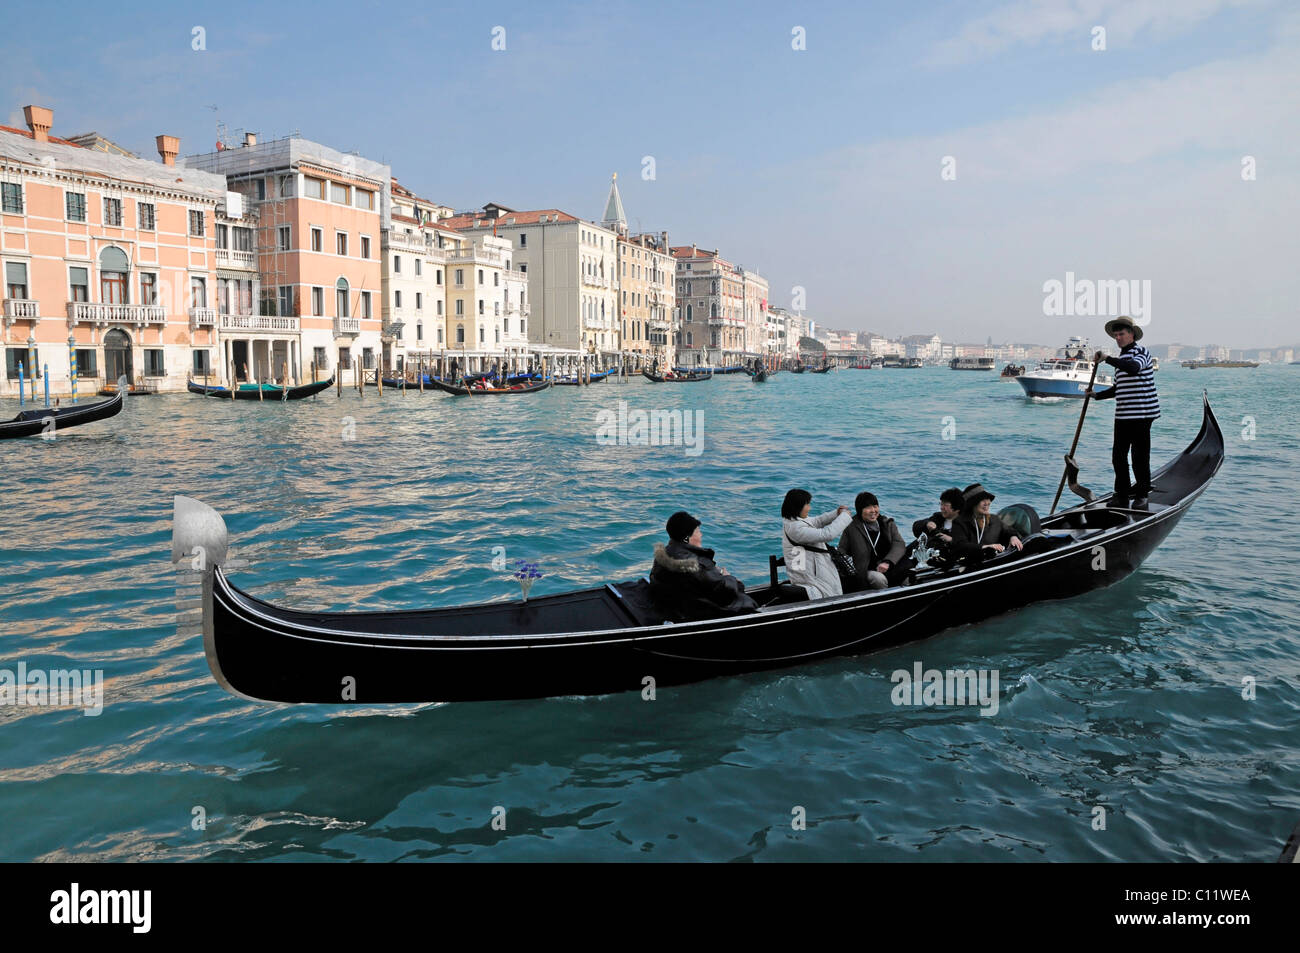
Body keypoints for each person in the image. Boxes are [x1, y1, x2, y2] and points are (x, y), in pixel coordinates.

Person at [1085, 315, 1159, 509]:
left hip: (1142, 414)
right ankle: (1122, 494)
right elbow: (1118, 388)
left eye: (1122, 334)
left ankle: (1142, 494)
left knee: (1139, 457)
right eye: (1116, 335)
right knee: (1118, 456)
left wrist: (1108, 359)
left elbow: (1134, 369)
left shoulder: (1141, 352)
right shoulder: (1121, 359)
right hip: (1124, 415)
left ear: (1131, 335)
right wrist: (1096, 395)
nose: (1118, 338)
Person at [649, 511, 757, 620]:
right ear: (687, 537)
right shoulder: (696, 564)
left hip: (673, 609)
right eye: (698, 531)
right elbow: (725, 591)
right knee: (746, 601)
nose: (701, 534)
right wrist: (728, 577)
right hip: (695, 614)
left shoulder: (662, 556)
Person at [781, 489, 852, 599]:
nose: (810, 508)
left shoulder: (794, 520)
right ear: (797, 506)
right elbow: (827, 534)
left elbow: (817, 521)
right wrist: (845, 517)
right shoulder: (795, 528)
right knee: (829, 593)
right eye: (807, 504)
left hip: (810, 570)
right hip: (808, 577)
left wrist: (836, 513)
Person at [839, 492, 908, 589]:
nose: (873, 511)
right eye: (868, 508)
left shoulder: (887, 523)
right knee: (878, 579)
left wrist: (888, 562)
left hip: (888, 565)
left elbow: (899, 544)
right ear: (860, 510)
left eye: (875, 506)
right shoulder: (851, 526)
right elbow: (842, 551)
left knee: (908, 576)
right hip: (867, 570)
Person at [950, 483, 1024, 564]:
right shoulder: (959, 522)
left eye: (987, 499)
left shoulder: (993, 519)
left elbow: (1008, 530)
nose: (987, 503)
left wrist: (1013, 537)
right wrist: (985, 547)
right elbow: (960, 546)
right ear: (972, 504)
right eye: (982, 500)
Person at [912, 487, 965, 563]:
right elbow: (916, 529)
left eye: (945, 505)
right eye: (941, 503)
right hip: (923, 554)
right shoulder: (938, 518)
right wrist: (926, 524)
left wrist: (951, 540)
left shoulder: (966, 524)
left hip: (945, 561)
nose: (941, 508)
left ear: (957, 507)